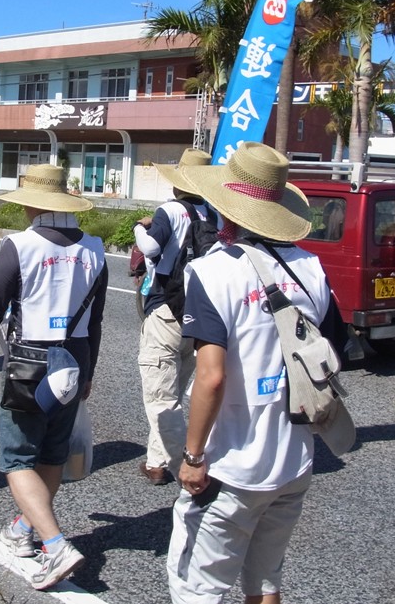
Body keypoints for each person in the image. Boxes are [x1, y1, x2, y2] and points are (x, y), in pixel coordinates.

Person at [168, 142, 349, 604]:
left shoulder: (211, 272)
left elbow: (211, 376)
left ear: (225, 209)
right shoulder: (311, 267)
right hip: (294, 460)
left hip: (233, 466)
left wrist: (192, 458)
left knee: (197, 587)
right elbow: (334, 350)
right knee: (266, 582)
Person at [0, 164, 107, 591]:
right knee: (51, 453)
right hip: (75, 357)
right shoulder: (96, 249)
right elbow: (97, 319)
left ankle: (55, 544)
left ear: (31, 203)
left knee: (16, 457)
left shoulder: (20, 245)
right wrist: (89, 372)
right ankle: (23, 529)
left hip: (30, 360)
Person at [133, 148, 215, 485]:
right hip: (199, 311)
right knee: (175, 391)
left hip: (166, 307)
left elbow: (151, 249)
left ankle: (189, 458)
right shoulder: (214, 214)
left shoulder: (169, 211)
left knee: (160, 396)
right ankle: (156, 463)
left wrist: (140, 227)